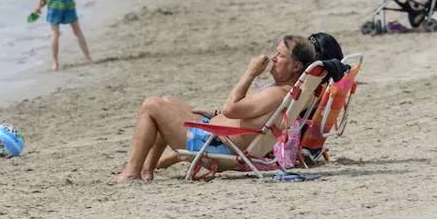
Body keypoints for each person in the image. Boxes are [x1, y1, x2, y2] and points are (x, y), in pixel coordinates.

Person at [113, 35, 318, 182]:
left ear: (296, 66)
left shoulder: (279, 93)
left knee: (151, 105)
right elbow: (241, 115)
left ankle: (132, 172)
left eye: (280, 55)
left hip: (213, 145)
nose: (273, 58)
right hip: (214, 135)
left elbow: (231, 109)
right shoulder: (287, 93)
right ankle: (146, 170)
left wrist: (250, 73)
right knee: (166, 100)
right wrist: (215, 115)